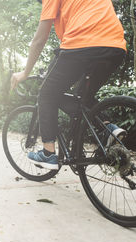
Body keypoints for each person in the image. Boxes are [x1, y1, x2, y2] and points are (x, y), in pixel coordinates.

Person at [10, 0, 127, 170]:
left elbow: (39, 39)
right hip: (115, 47)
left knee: (47, 94)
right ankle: (109, 128)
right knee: (83, 97)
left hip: (82, 45)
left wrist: (25, 73)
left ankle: (48, 154)